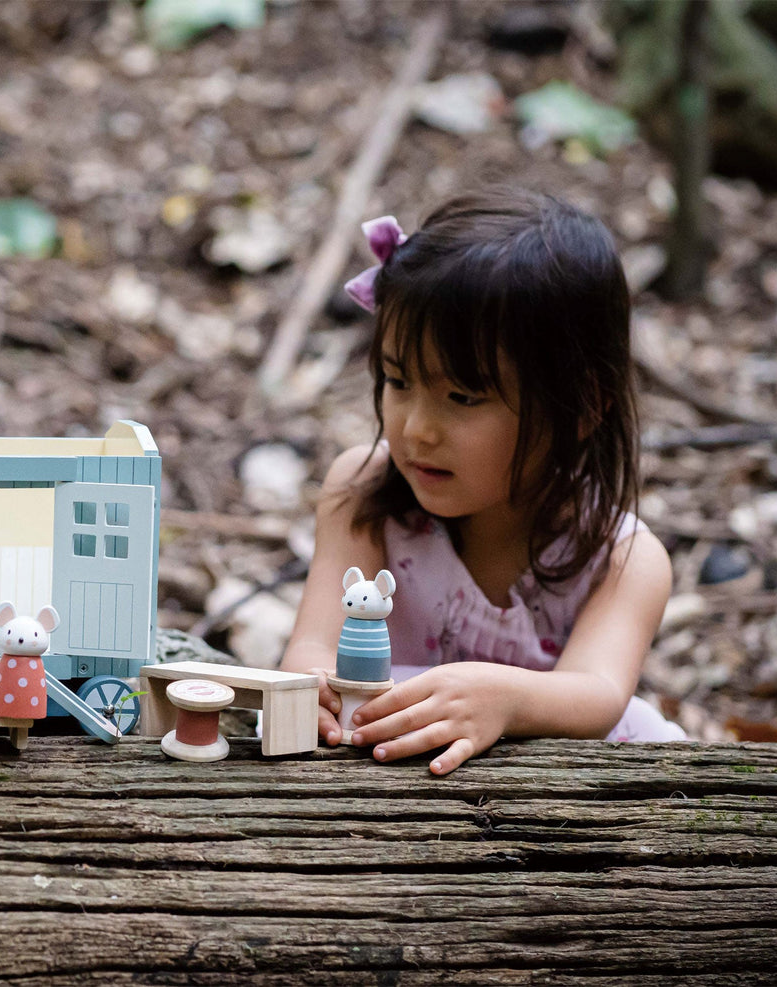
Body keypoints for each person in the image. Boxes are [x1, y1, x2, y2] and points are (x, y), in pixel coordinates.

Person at [280, 187, 686, 776]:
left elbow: (598, 693)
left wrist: (504, 699)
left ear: (581, 408)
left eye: (462, 396)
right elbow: (314, 643)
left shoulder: (621, 558)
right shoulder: (363, 496)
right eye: (398, 381)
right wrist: (312, 681)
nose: (417, 429)